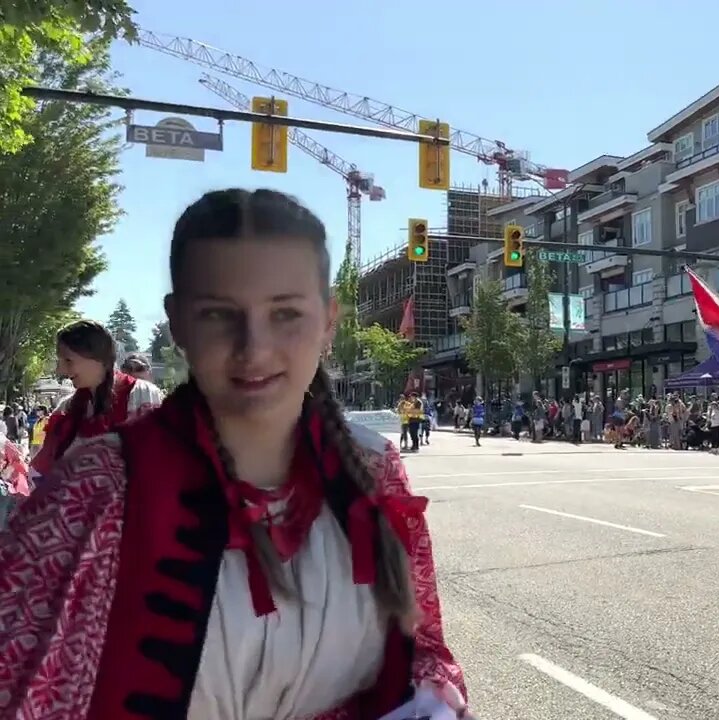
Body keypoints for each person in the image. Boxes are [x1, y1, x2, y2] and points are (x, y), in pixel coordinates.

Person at [0, 189, 469, 718]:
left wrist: (436, 699)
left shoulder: (374, 469)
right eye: (220, 314)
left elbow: (424, 651)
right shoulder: (96, 490)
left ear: (328, 321)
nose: (254, 348)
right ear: (177, 322)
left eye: (285, 313)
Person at [30, 320, 166, 477]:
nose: (60, 370)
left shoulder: (142, 394)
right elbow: (43, 469)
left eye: (68, 360)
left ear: (98, 358)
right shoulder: (67, 407)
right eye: (59, 361)